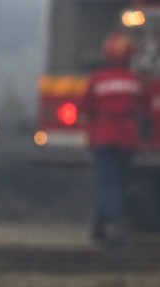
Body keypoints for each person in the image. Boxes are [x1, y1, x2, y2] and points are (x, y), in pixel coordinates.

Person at [80, 31, 147, 248]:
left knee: (108, 183)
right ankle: (101, 229)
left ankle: (113, 229)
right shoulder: (135, 81)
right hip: (127, 140)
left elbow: (86, 108)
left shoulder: (97, 80)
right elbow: (144, 108)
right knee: (118, 182)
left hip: (103, 138)